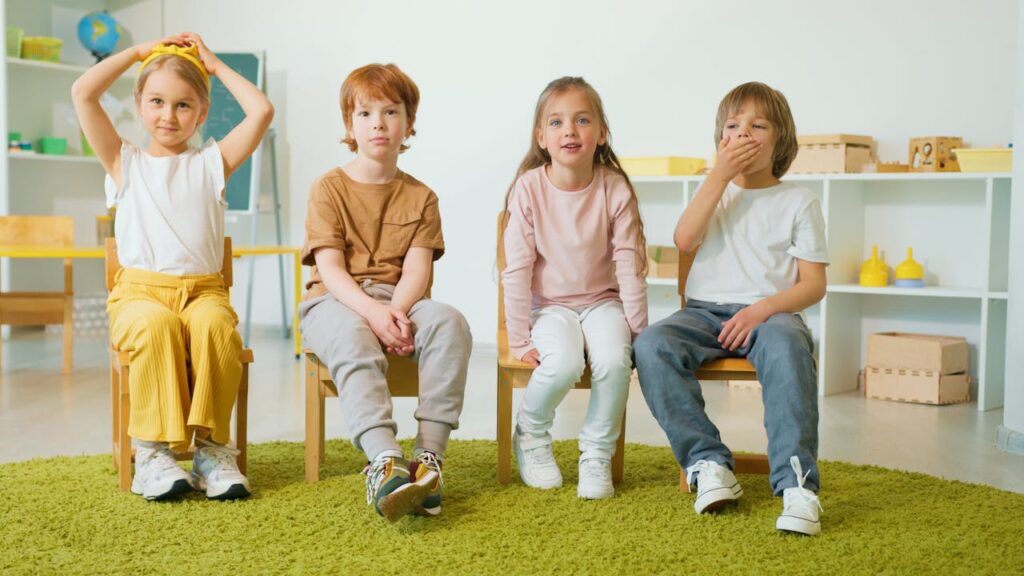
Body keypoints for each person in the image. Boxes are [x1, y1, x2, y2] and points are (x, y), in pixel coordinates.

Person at [72, 33, 273, 500]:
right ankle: (151, 453)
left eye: (183, 106)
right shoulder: (124, 161)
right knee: (155, 325)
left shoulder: (212, 164)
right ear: (139, 105)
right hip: (139, 295)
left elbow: (261, 111)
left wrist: (216, 65)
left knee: (217, 329)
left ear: (201, 113)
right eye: (157, 102)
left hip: (204, 292)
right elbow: (83, 91)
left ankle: (212, 451)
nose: (168, 115)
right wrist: (140, 53)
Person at [633, 81, 828, 535]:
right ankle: (707, 464)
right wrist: (717, 176)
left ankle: (798, 486)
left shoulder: (800, 200)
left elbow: (814, 285)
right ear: (720, 140)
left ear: (781, 139)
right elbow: (684, 240)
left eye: (758, 125)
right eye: (732, 126)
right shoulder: (713, 190)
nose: (743, 134)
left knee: (787, 348)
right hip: (702, 313)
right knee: (651, 344)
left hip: (772, 315)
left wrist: (761, 311)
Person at [299, 63, 472, 522]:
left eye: (391, 112)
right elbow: (330, 269)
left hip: (400, 301)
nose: (378, 123)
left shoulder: (422, 197)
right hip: (336, 302)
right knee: (354, 337)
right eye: (366, 113)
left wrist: (393, 310)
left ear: (409, 123)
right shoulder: (328, 188)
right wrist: (374, 315)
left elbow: (417, 270)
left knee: (451, 321)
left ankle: (426, 462)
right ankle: (383, 462)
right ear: (349, 126)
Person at [502, 77, 648, 500]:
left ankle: (596, 453)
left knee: (613, 361)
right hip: (550, 308)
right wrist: (519, 338)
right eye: (557, 122)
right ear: (541, 137)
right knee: (563, 363)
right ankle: (530, 433)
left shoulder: (614, 187)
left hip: (603, 303)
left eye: (582, 120)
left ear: (601, 134)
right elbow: (517, 268)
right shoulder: (529, 189)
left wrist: (638, 332)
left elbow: (630, 265)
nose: (570, 130)